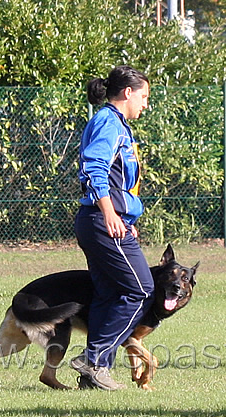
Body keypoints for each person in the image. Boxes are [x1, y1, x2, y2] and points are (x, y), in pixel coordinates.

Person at [70, 65, 155, 390]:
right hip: (101, 220)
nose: (145, 104)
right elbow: (93, 168)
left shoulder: (116, 124)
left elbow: (120, 181)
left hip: (105, 221)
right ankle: (93, 359)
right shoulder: (108, 123)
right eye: (144, 96)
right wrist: (109, 213)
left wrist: (125, 219)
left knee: (110, 293)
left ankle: (94, 376)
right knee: (140, 290)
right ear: (128, 93)